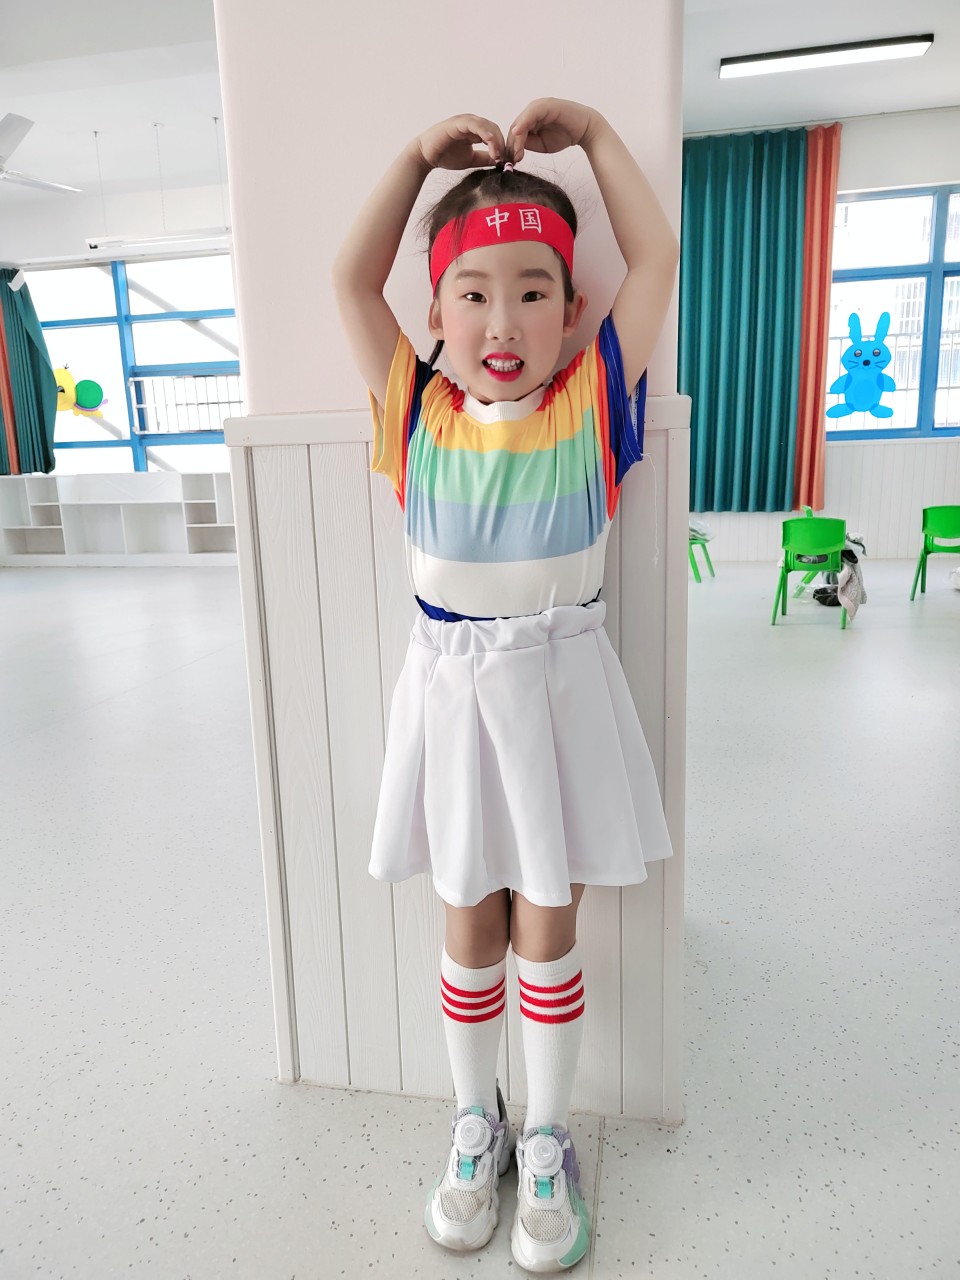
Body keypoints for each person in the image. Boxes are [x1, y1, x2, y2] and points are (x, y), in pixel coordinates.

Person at [332, 98, 678, 1273]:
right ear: (435, 311)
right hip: (449, 702)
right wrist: (412, 157)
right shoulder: (416, 415)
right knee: (467, 914)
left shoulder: (591, 404)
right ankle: (472, 1124)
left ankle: (546, 1134)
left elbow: (657, 257)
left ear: (573, 309)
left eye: (534, 290)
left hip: (558, 697)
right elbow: (347, 279)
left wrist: (595, 137)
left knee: (546, 919)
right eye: (472, 292)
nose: (502, 319)